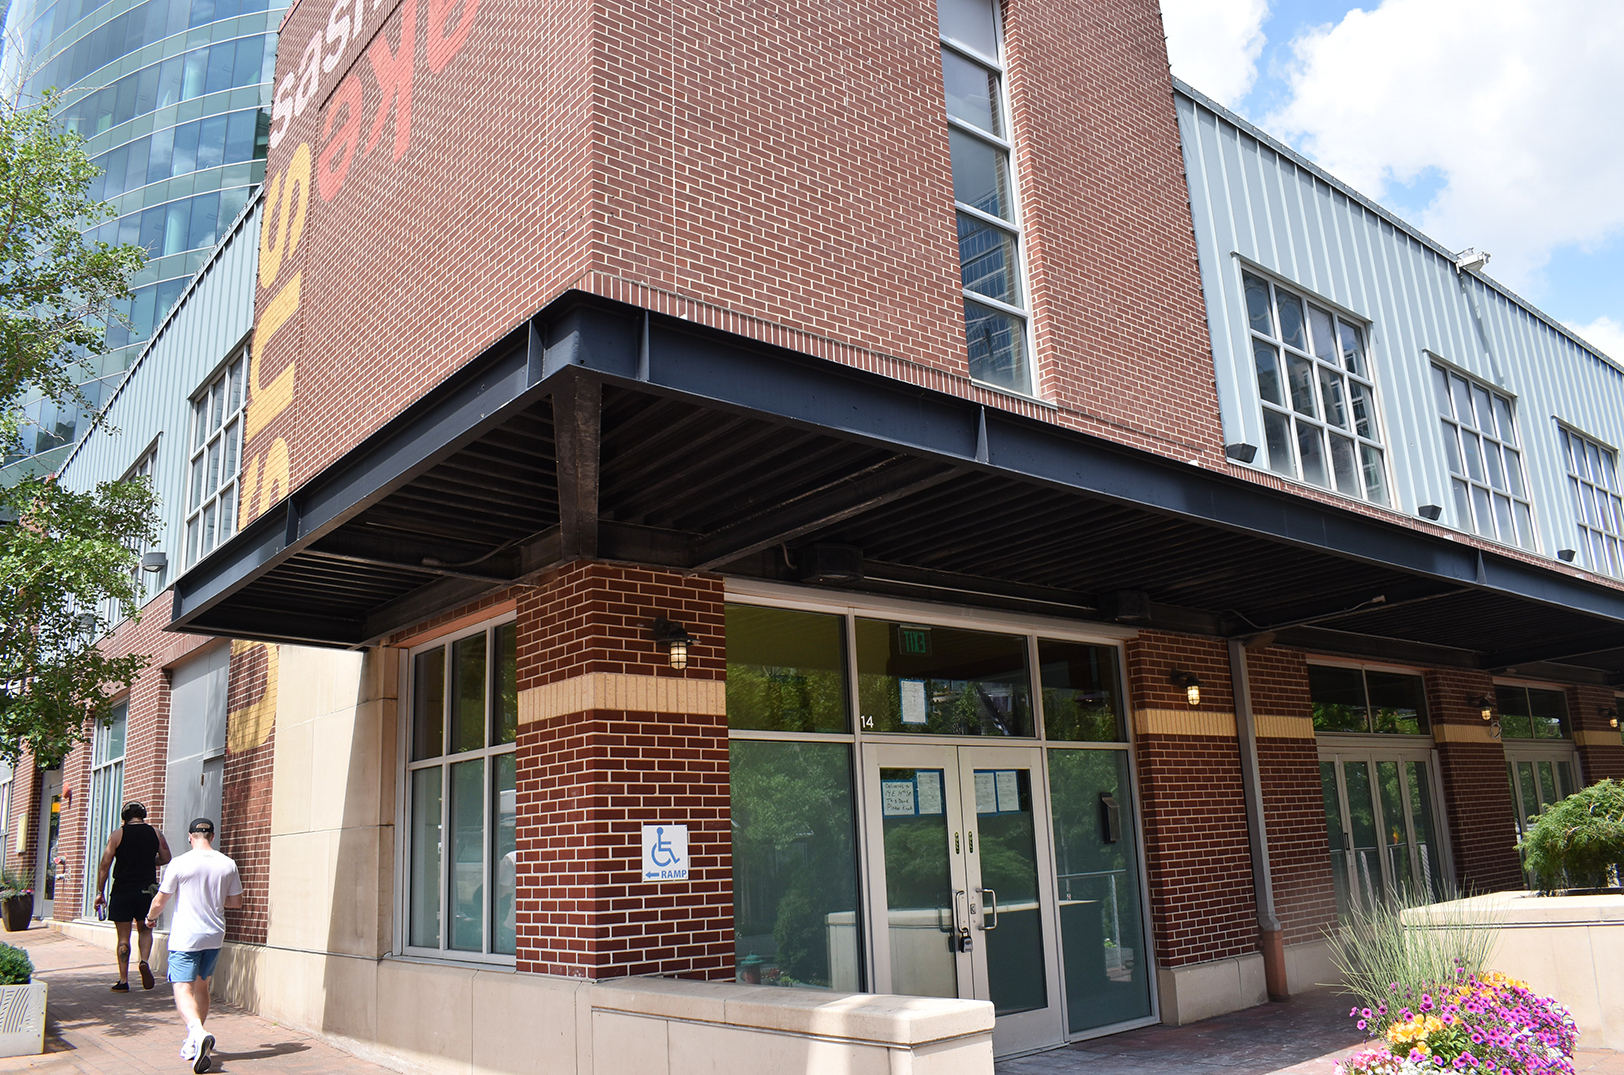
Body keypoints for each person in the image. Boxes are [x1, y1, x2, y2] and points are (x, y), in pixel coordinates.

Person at [145, 818, 242, 1074]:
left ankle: (197, 1032)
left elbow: (160, 900)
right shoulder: (227, 863)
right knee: (202, 986)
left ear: (190, 837)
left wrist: (150, 919)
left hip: (186, 937)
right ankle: (193, 1043)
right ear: (212, 836)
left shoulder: (179, 863)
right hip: (214, 934)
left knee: (182, 988)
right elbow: (235, 902)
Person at [92, 802, 173, 991]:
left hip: (122, 890)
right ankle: (144, 961)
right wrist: (147, 862)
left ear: (124, 817)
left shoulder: (117, 835)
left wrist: (99, 892)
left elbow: (105, 864)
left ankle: (123, 980)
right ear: (143, 815)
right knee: (145, 930)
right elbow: (166, 858)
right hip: (146, 890)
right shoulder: (155, 833)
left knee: (123, 937)